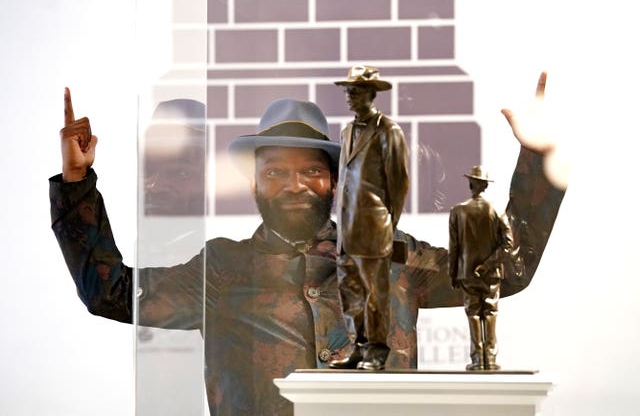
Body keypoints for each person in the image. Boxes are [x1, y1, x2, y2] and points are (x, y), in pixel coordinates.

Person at [51, 72, 564, 415]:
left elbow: (501, 273)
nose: (293, 185)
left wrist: (538, 159)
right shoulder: (222, 268)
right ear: (255, 185)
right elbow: (112, 292)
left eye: (310, 171)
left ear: (334, 184)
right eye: (274, 171)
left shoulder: (391, 258)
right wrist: (77, 185)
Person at [330, 65, 409, 370]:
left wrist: (387, 224)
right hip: (347, 230)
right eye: (348, 91)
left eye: (356, 91)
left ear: (372, 94)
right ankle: (358, 347)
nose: (350, 96)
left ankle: (377, 350)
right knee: (350, 291)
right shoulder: (347, 130)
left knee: (375, 295)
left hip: (374, 228)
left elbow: (399, 184)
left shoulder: (389, 131)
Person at [449, 166, 514, 371]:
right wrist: (489, 264)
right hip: (491, 273)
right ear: (485, 185)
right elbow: (509, 243)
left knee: (473, 313)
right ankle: (491, 359)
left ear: (471, 184)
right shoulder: (496, 210)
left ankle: (478, 359)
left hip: (466, 272)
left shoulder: (458, 211)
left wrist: (452, 273)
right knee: (491, 312)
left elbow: (454, 247)